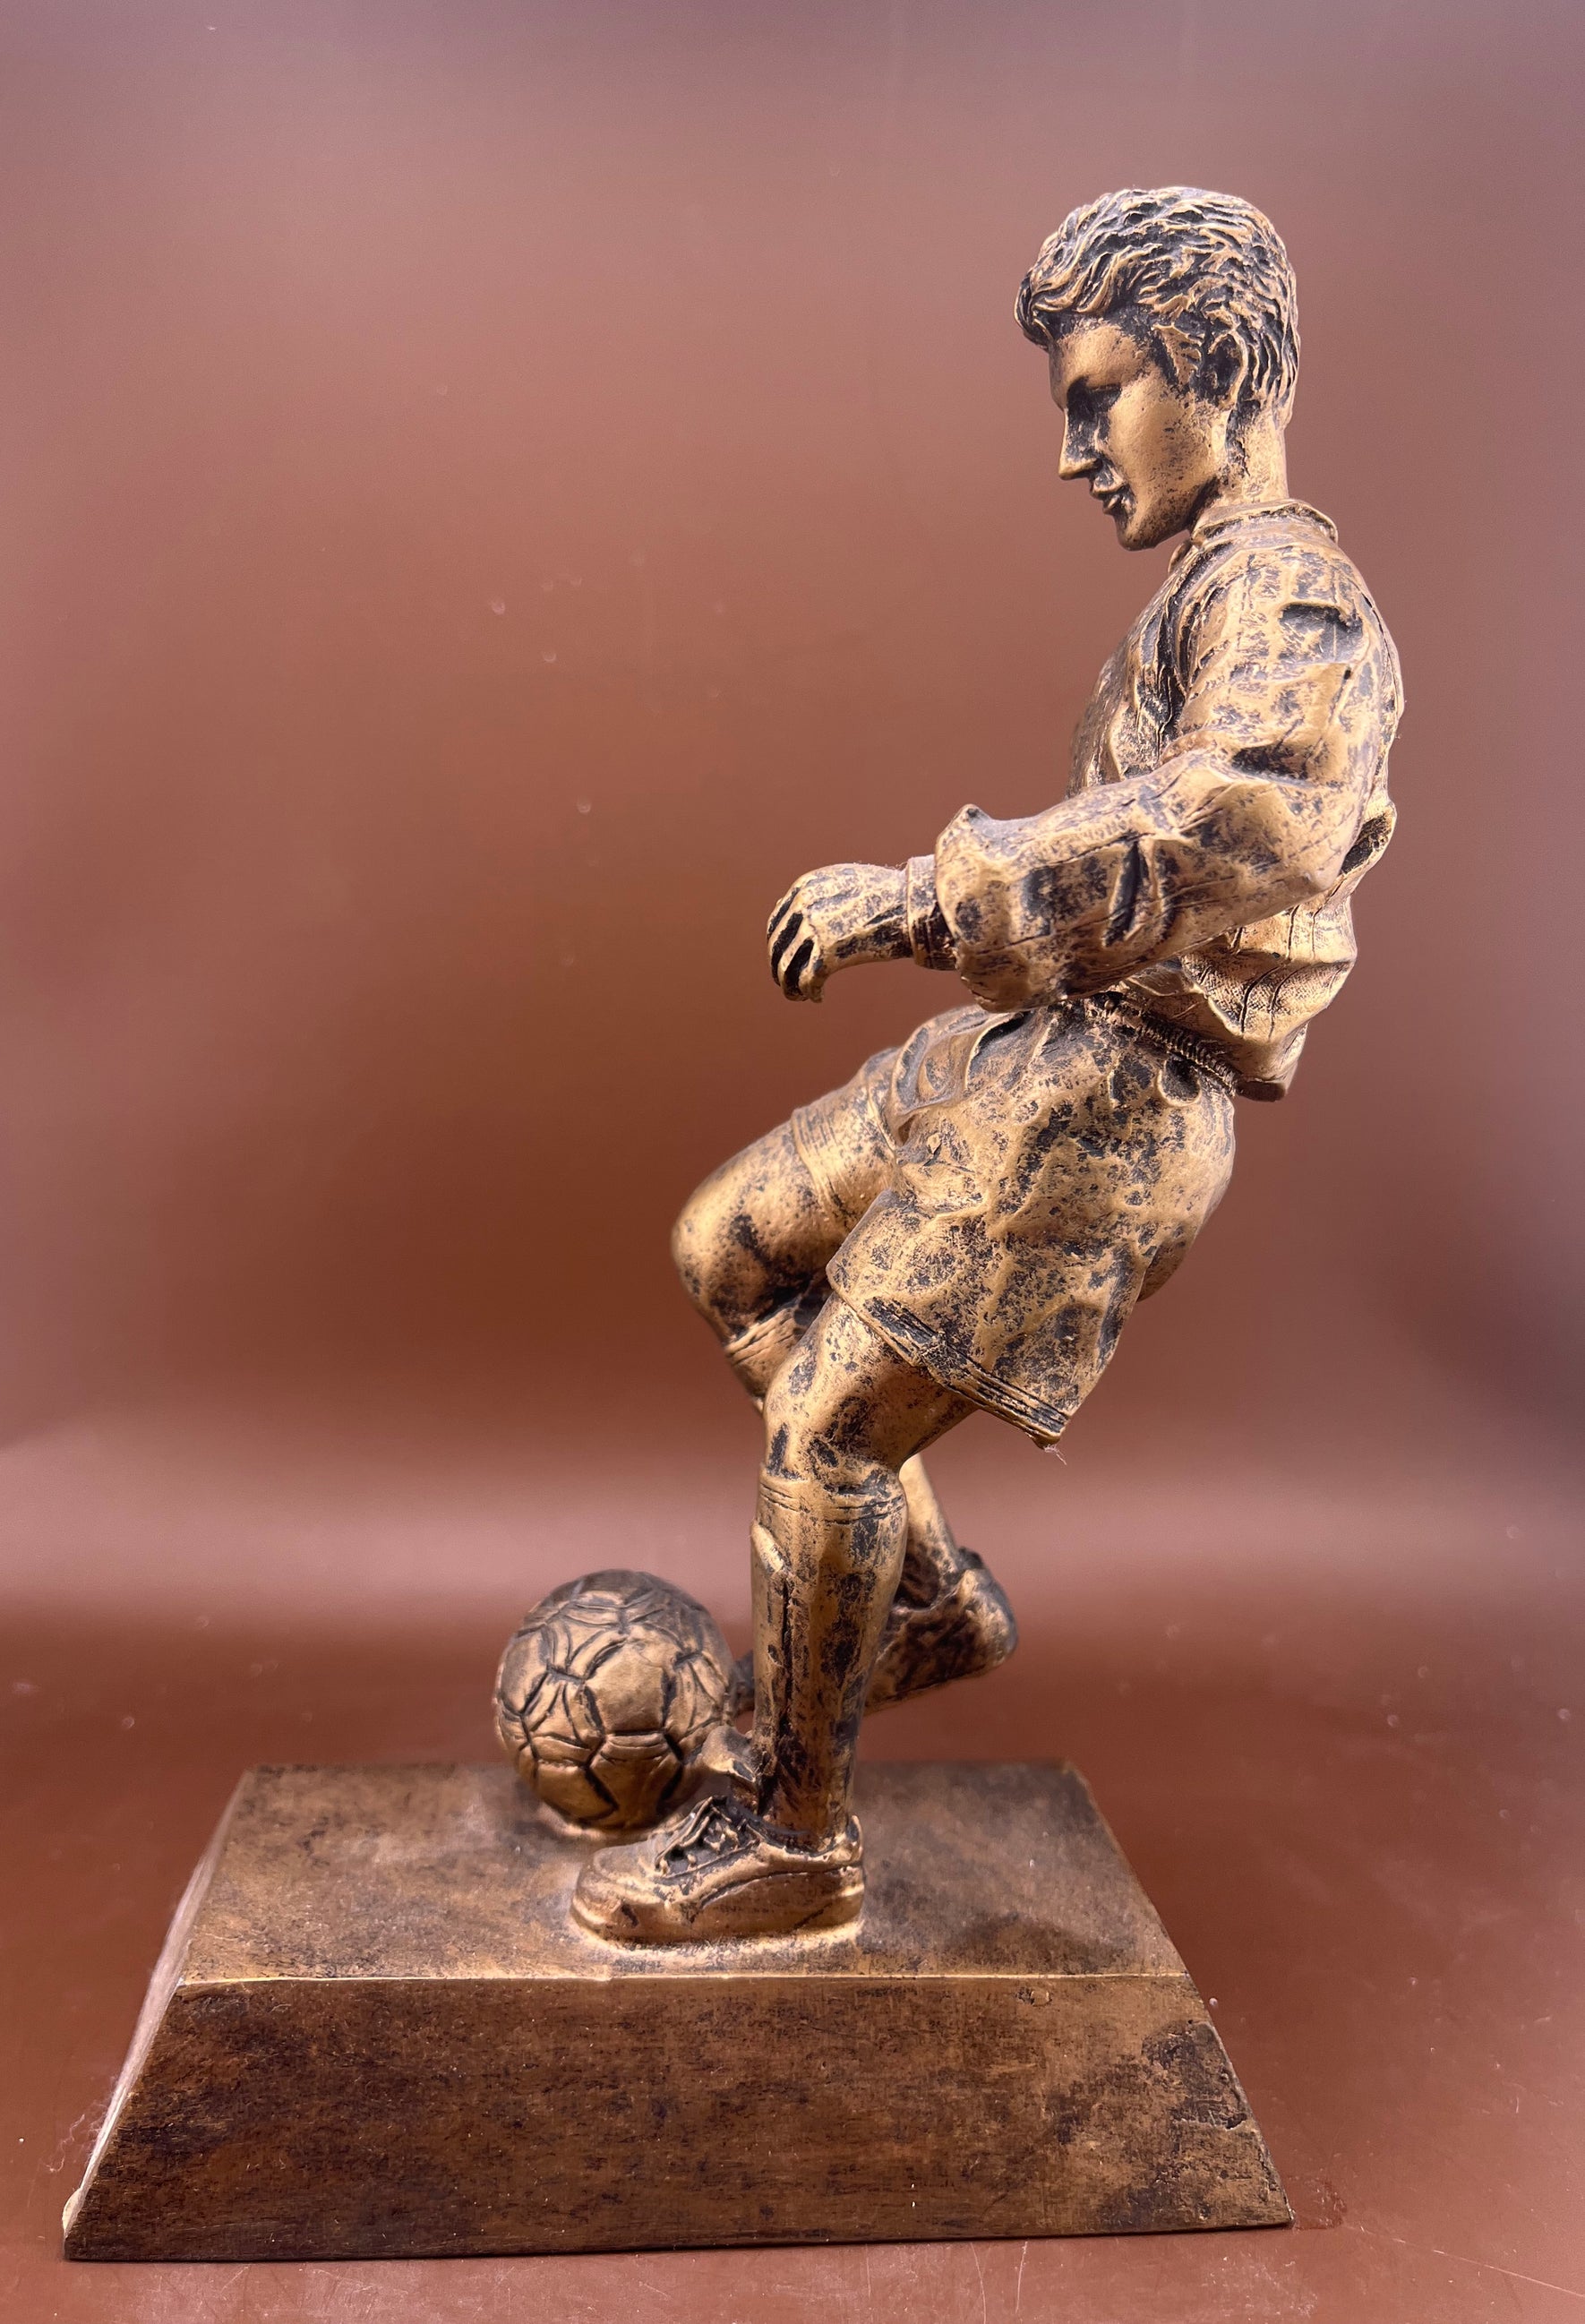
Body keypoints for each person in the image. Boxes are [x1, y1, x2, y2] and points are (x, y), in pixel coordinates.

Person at [572, 186, 1402, 1945]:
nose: (1072, 450)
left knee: (824, 1434)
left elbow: (1247, 819)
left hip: (1112, 1100)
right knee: (729, 1249)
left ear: (1221, 366)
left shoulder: (1296, 605)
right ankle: (919, 1601)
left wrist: (924, 894)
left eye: (1099, 396)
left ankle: (795, 1837)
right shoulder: (1218, 592)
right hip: (1030, 1050)